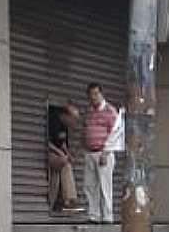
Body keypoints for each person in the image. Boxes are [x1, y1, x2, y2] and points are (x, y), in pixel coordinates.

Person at [80, 82, 124, 224]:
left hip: (103, 153)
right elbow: (85, 130)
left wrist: (106, 152)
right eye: (90, 94)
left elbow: (116, 133)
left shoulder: (110, 111)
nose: (93, 97)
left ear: (101, 94)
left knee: (105, 186)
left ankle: (107, 216)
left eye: (96, 94)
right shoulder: (89, 112)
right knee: (90, 185)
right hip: (89, 152)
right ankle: (94, 215)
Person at [46, 101, 82, 215]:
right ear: (66, 115)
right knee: (64, 163)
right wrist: (60, 154)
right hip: (49, 151)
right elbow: (47, 142)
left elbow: (62, 143)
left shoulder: (64, 126)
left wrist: (68, 153)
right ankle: (68, 201)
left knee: (66, 164)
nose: (74, 122)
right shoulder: (52, 120)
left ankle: (66, 200)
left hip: (58, 153)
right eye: (74, 118)